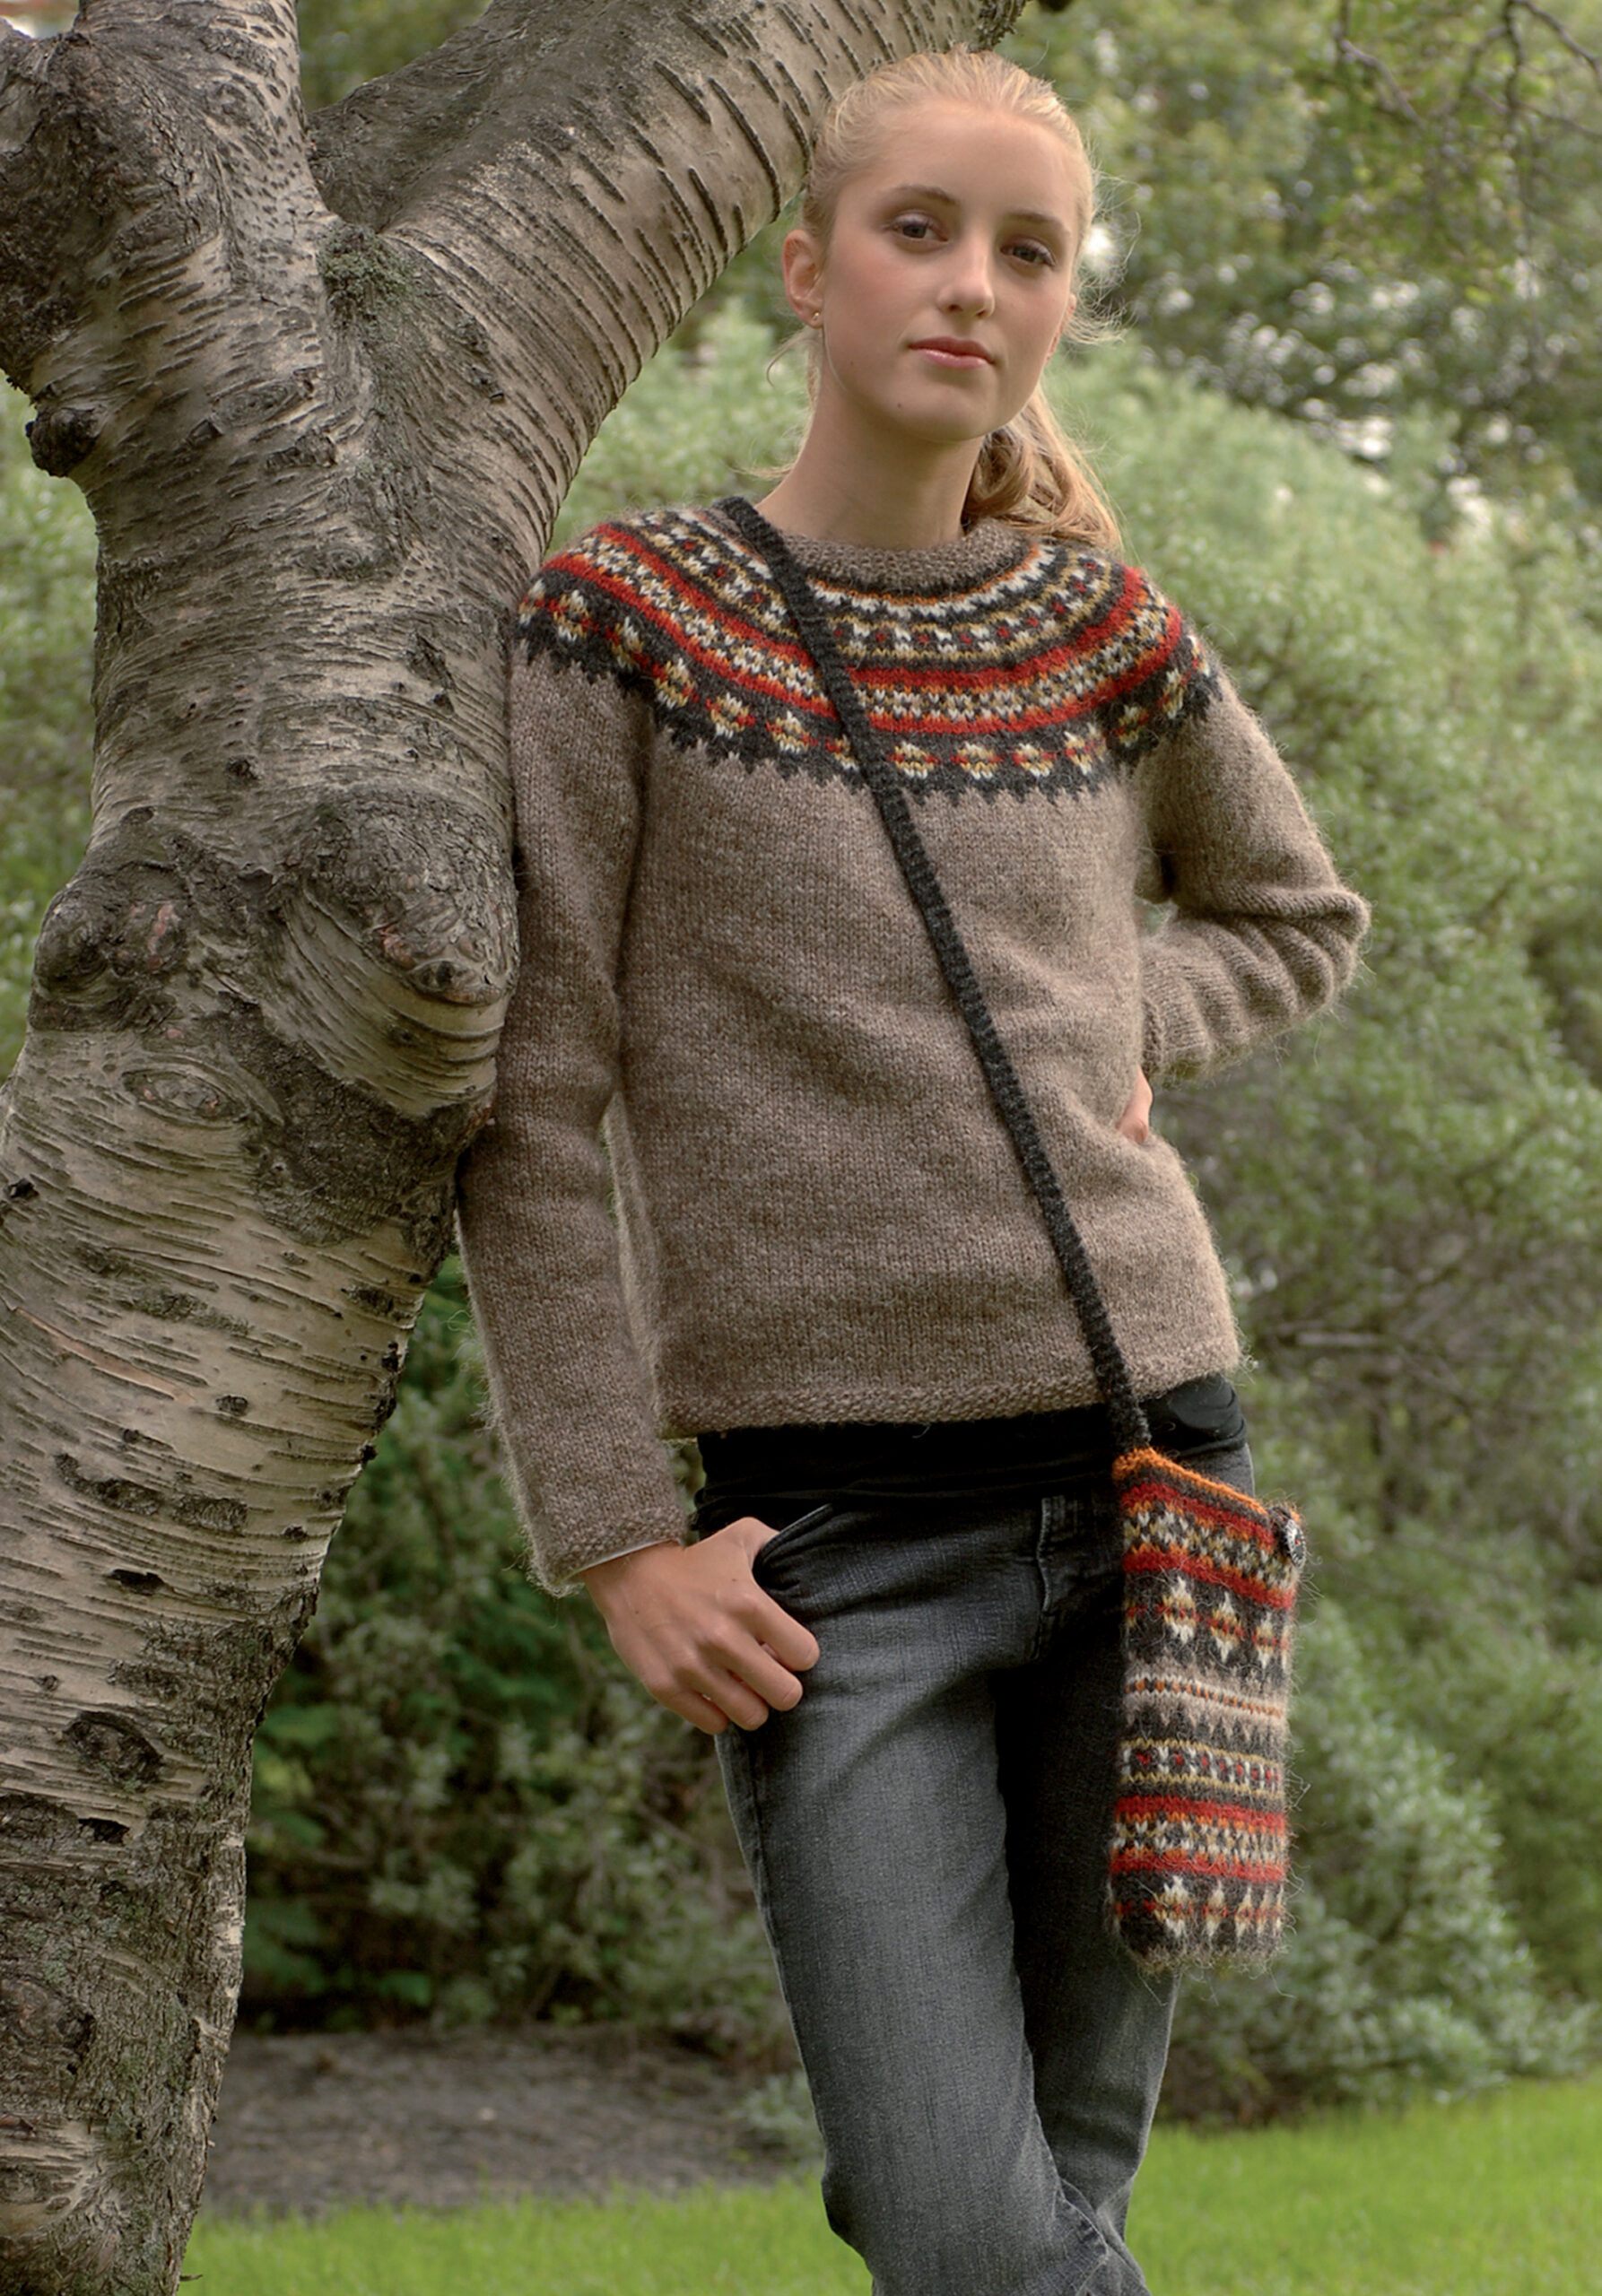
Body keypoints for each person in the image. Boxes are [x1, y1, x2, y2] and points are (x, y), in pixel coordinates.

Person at [457, 45, 1368, 2296]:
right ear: (806, 267)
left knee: (1036, 2214)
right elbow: (531, 1100)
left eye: (1025, 250)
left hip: (1158, 1480)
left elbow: (1291, 916)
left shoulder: (1100, 632)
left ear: (1059, 305)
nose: (971, 283)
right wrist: (612, 1536)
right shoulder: (629, 621)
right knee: (968, 2229)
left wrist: (1119, 1023)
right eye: (919, 229)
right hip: (833, 1548)